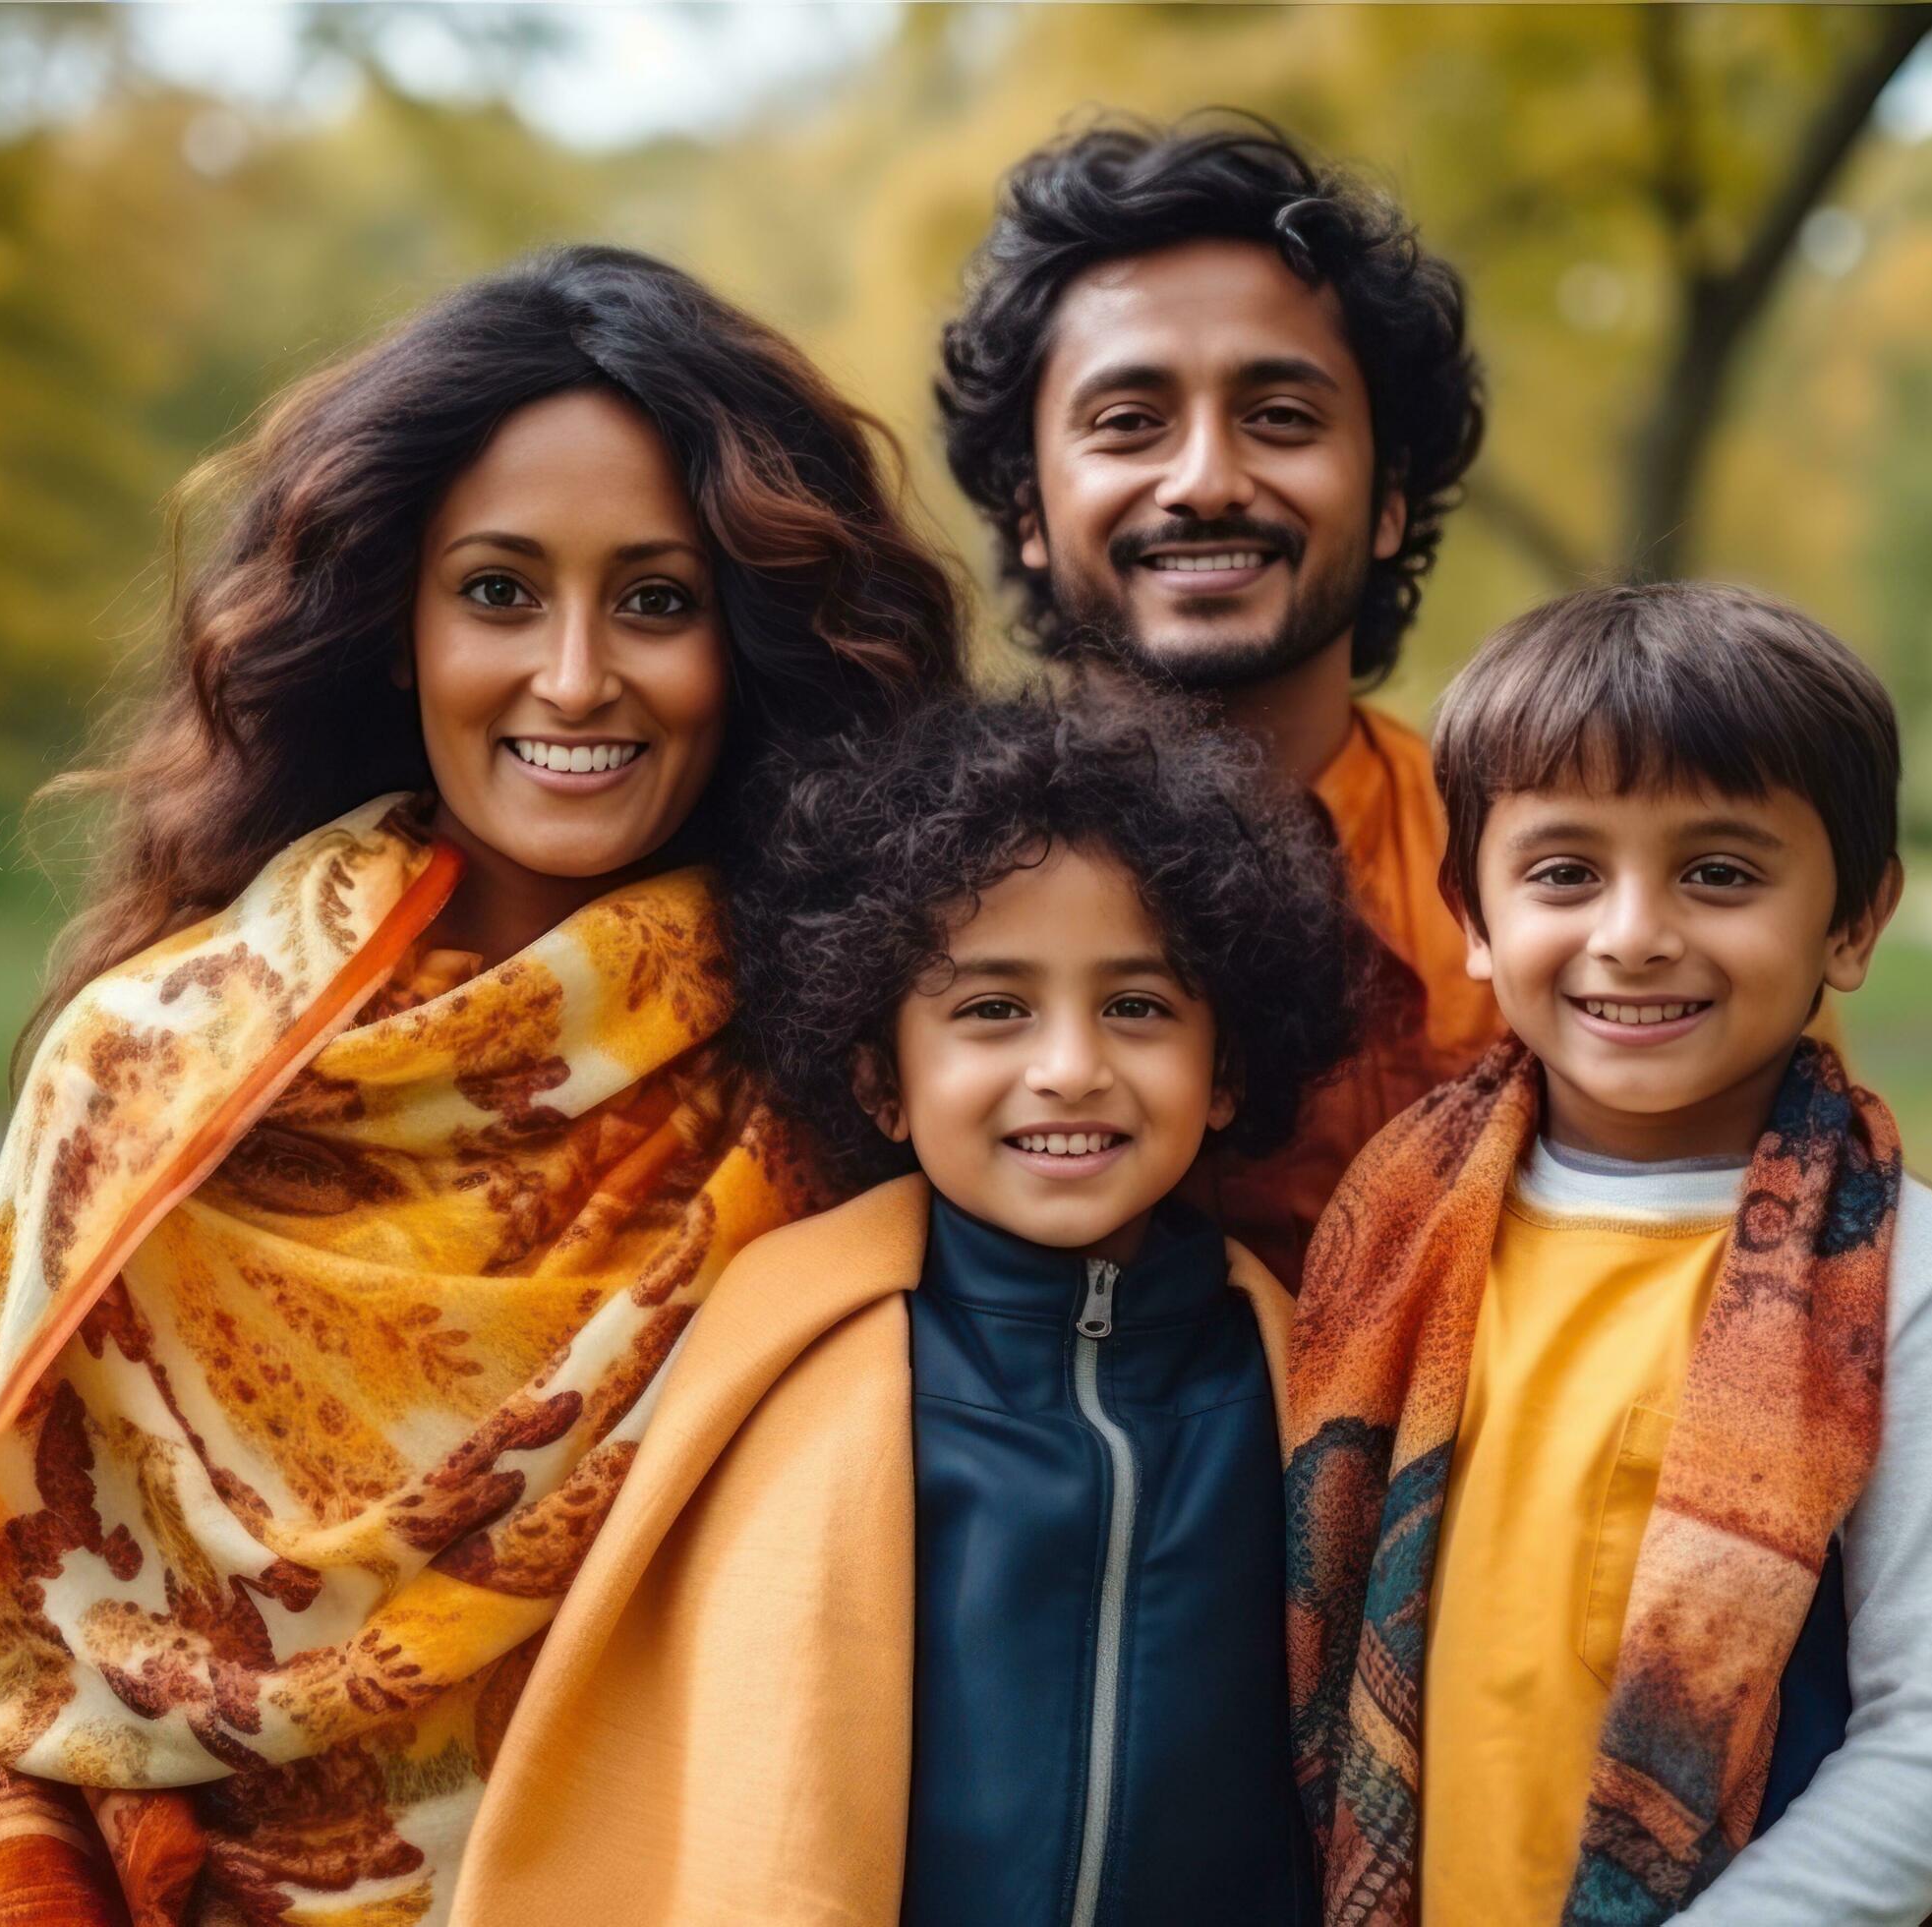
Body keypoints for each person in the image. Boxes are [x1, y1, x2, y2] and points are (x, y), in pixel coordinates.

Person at [0, 246, 966, 1926]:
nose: (576, 678)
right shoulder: (151, 1073)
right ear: (391, 626)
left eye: (656, 599)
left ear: (754, 641)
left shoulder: (852, 1082)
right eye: (499, 591)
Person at [932, 109, 1932, 1626]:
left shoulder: (1543, 888)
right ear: (1029, 513)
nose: (1208, 477)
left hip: (1491, 1702)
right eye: (1129, 422)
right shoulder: (907, 895)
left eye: (1283, 417)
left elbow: (1781, 1271)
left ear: (1396, 498)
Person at [450, 692, 1355, 1923]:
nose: (1070, 1066)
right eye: (993, 1009)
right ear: (881, 1078)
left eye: (1137, 1006)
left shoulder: (1306, 1393)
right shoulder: (782, 1369)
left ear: (1226, 1069)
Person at [1287, 582, 1932, 1926]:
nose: (1633, 931)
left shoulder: (1921, 1283)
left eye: (1721, 871)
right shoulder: (1397, 1231)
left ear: (1856, 920)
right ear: (1474, 913)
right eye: (1566, 870)